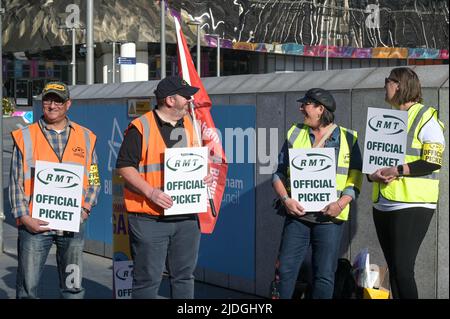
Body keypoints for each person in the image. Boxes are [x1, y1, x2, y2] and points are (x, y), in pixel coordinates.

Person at [116, 75, 213, 299]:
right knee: (148, 280)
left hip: (186, 218)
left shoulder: (193, 124)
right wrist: (151, 192)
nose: (190, 100)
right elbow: (124, 167)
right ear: (170, 100)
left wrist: (205, 174)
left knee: (184, 277)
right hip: (149, 218)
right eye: (185, 96)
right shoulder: (140, 127)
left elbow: (198, 162)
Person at [10, 81, 101, 299]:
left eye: (58, 100)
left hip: (72, 224)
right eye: (48, 100)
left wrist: (85, 210)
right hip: (34, 225)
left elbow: (95, 178)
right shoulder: (25, 136)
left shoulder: (86, 137)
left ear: (68, 104)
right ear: (43, 103)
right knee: (27, 289)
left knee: (73, 287)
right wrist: (24, 217)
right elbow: (16, 182)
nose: (53, 105)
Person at [272, 88, 363, 299]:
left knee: (324, 275)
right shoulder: (295, 132)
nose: (301, 108)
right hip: (297, 215)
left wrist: (340, 204)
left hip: (330, 217)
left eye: (306, 105)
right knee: (285, 271)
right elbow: (278, 174)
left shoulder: (348, 139)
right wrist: (285, 199)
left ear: (320, 109)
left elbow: (355, 179)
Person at [368, 67, 445, 299]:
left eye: (387, 81)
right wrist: (372, 175)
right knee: (395, 271)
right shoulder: (387, 118)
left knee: (403, 269)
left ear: (398, 85)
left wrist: (398, 170)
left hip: (412, 203)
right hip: (384, 201)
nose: (385, 86)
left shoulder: (425, 117)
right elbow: (375, 161)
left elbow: (433, 161)